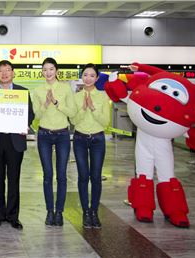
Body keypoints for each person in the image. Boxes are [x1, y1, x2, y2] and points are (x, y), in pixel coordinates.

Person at [0, 60, 34, 230]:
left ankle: (13, 217)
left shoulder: (22, 92)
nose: (4, 74)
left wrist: (26, 125)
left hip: (15, 140)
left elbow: (30, 114)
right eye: (1, 71)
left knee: (14, 179)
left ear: (13, 73)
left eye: (8, 70)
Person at [32, 57, 76, 227]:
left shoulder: (65, 89)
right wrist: (45, 104)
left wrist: (57, 103)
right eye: (45, 70)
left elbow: (72, 112)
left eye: (51, 69)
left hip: (62, 135)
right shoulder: (37, 90)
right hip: (44, 135)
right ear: (42, 72)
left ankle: (60, 212)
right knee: (48, 175)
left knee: (62, 175)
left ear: (56, 71)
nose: (48, 73)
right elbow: (36, 115)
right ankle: (50, 211)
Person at [71, 63, 110, 229]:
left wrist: (92, 108)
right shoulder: (76, 97)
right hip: (79, 139)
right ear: (82, 76)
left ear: (97, 78)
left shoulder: (102, 96)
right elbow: (73, 121)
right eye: (85, 75)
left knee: (95, 176)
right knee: (83, 176)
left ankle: (94, 211)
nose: (88, 78)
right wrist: (82, 109)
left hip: (97, 140)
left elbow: (105, 122)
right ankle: (86, 212)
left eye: (91, 75)